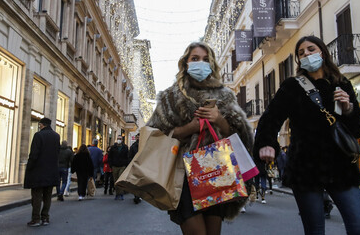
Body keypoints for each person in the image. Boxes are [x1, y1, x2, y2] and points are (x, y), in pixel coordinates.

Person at [254, 35, 360, 235]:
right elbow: (270, 118)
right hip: (305, 168)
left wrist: (349, 108)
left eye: (310, 49)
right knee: (315, 230)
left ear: (322, 53)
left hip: (341, 167)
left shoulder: (341, 84)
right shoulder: (292, 86)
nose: (306, 54)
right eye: (301, 53)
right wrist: (267, 143)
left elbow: (359, 129)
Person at [146, 41, 252, 235]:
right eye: (195, 59)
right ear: (185, 63)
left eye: (205, 60)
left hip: (217, 171)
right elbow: (156, 135)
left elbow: (240, 136)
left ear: (211, 65)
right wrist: (191, 127)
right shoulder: (170, 96)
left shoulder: (225, 95)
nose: (200, 63)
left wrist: (219, 119)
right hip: (182, 175)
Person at [24, 118, 60, 227]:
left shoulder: (38, 135)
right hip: (51, 170)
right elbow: (57, 153)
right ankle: (45, 218)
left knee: (37, 196)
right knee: (47, 196)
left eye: (39, 125)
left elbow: (34, 154)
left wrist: (29, 167)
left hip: (38, 171)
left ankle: (36, 219)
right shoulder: (56, 136)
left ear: (41, 125)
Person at [108, 135, 129, 201]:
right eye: (118, 139)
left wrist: (125, 164)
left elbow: (127, 156)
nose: (119, 140)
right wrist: (111, 165)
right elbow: (110, 156)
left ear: (122, 140)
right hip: (115, 166)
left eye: (120, 139)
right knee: (116, 180)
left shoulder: (125, 147)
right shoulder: (113, 148)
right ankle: (117, 193)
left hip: (122, 165)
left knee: (121, 180)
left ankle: (121, 193)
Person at [128, 133, 141, 204]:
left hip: (141, 166)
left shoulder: (143, 145)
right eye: (137, 137)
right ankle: (136, 195)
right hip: (135, 166)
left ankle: (137, 195)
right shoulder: (133, 147)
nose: (138, 138)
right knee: (136, 181)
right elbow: (130, 156)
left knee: (139, 182)